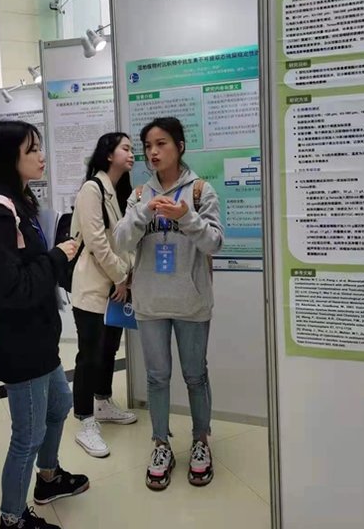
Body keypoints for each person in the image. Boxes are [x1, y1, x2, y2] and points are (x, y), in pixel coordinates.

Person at [0, 120, 88, 529]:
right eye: (31, 149)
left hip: (38, 338)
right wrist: (57, 257)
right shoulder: (0, 212)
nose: (41, 155)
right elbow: (11, 289)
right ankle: (12, 518)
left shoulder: (18, 201)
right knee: (27, 437)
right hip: (20, 344)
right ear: (9, 158)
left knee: (59, 405)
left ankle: (49, 478)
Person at [114, 117, 224, 491]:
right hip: (150, 304)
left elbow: (215, 244)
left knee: (196, 375)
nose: (153, 152)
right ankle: (160, 444)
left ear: (179, 146)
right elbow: (120, 242)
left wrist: (186, 218)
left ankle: (200, 441)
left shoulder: (200, 191)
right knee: (157, 378)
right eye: (147, 146)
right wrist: (145, 212)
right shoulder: (138, 194)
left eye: (161, 143)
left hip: (192, 303)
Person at [70, 132, 137, 458]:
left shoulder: (119, 190)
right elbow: (97, 243)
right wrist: (122, 276)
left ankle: (103, 401)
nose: (132, 153)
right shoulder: (91, 189)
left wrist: (126, 277)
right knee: (90, 354)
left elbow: (125, 240)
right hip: (93, 288)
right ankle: (85, 419)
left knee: (110, 347)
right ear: (109, 154)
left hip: (115, 286)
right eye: (126, 148)